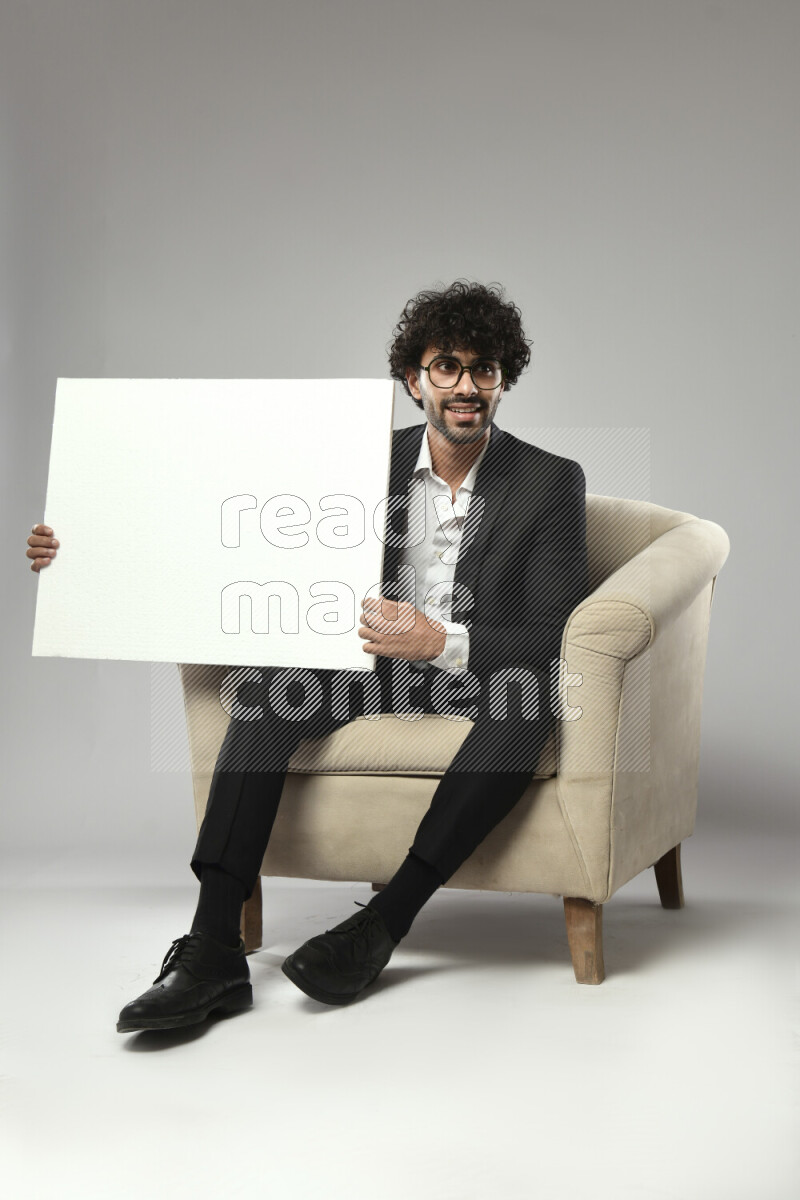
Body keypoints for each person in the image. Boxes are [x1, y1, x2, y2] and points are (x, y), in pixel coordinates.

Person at [27, 280, 588, 1031]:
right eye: (446, 366)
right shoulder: (360, 458)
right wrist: (83, 552)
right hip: (367, 670)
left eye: (483, 369)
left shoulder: (550, 480)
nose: (465, 386)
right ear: (414, 380)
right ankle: (212, 948)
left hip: (471, 678)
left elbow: (552, 631)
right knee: (264, 692)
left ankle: (382, 923)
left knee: (531, 701)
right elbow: (221, 535)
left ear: (503, 379)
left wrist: (439, 640)